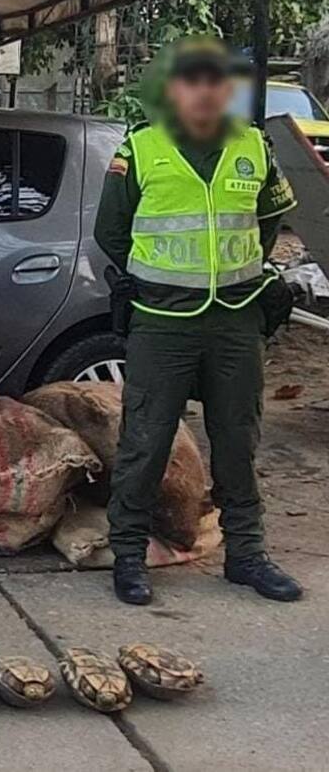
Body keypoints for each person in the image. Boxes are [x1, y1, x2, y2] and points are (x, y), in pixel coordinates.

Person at [95, 36, 302, 606]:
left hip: (234, 320)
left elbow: (267, 225)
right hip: (162, 322)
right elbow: (110, 232)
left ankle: (248, 555)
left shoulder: (253, 146)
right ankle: (130, 556)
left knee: (238, 441)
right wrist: (159, 281)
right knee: (146, 440)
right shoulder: (141, 148)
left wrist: (243, 275)